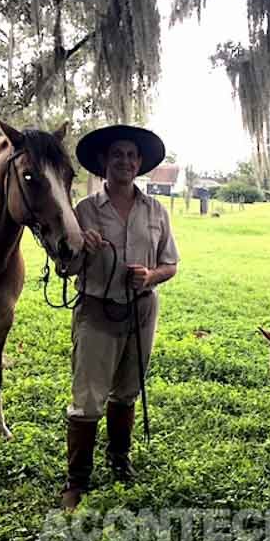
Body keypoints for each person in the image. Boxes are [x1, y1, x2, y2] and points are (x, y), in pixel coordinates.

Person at [60, 125, 180, 511]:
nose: (124, 161)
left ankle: (119, 458)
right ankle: (76, 480)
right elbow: (65, 265)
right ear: (103, 163)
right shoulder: (84, 211)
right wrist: (82, 247)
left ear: (140, 163)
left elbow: (170, 264)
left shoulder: (156, 211)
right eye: (117, 155)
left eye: (131, 155)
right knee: (88, 396)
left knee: (127, 388)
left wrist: (151, 276)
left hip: (141, 310)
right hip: (96, 308)